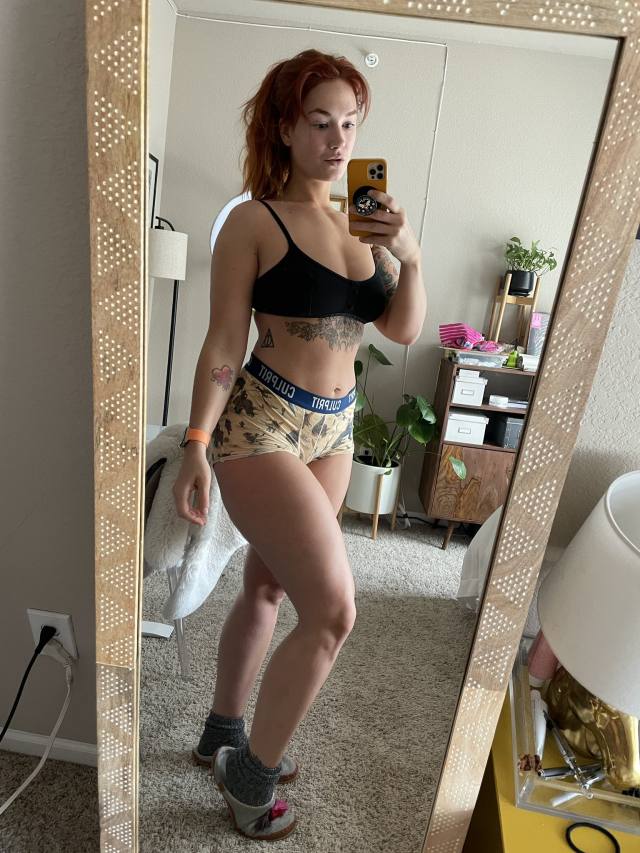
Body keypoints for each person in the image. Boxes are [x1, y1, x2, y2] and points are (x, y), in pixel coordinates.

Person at [172, 48, 426, 841]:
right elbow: (224, 340)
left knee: (269, 588)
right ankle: (248, 777)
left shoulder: (364, 224)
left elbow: (402, 327)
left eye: (349, 123)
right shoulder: (256, 221)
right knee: (334, 611)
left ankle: (221, 731)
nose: (338, 140)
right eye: (320, 122)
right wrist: (196, 441)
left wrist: (409, 254)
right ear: (284, 128)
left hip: (334, 428)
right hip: (263, 424)